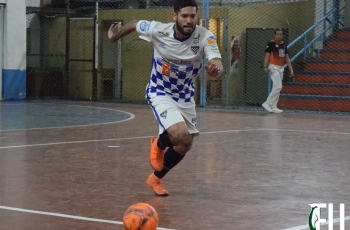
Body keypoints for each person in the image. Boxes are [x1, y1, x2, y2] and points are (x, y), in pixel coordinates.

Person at [108, 0, 224, 196]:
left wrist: (216, 69)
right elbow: (136, 22)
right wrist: (115, 37)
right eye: (184, 16)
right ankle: (159, 144)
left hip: (185, 96)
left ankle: (156, 178)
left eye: (192, 16)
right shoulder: (159, 30)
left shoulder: (205, 36)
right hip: (160, 90)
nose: (189, 20)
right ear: (174, 16)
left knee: (185, 143)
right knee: (179, 134)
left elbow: (217, 61)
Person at [262, 28, 294, 113]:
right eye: (277, 34)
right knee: (278, 86)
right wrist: (265, 67)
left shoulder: (284, 45)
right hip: (273, 66)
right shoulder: (271, 44)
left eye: (281, 34)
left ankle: (274, 106)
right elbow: (267, 56)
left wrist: (291, 69)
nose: (279, 36)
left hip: (281, 67)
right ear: (274, 35)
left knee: (276, 87)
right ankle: (267, 103)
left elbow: (287, 58)